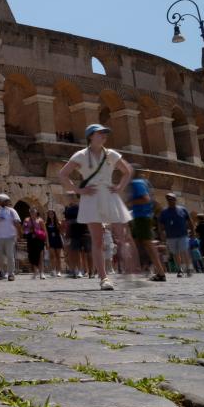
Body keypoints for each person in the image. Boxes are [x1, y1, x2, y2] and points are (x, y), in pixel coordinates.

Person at [57, 124, 134, 291]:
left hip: (109, 193)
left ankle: (131, 272)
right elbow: (62, 174)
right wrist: (78, 190)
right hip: (91, 196)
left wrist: (120, 187)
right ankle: (104, 278)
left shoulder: (111, 154)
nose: (104, 136)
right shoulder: (81, 155)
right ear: (90, 136)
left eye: (105, 133)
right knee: (97, 240)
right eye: (100, 133)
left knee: (122, 236)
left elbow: (127, 171)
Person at [126, 167, 167, 281]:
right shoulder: (144, 183)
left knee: (147, 244)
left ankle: (159, 272)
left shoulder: (136, 183)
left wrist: (129, 202)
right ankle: (146, 269)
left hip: (141, 217)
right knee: (139, 243)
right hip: (142, 217)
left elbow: (145, 199)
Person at [158, 193, 194, 277]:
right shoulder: (164, 212)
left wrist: (193, 232)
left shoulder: (183, 209)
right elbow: (160, 224)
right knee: (175, 253)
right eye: (169, 199)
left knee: (184, 251)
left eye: (172, 199)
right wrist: (161, 234)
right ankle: (180, 269)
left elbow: (190, 221)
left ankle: (188, 268)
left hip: (183, 235)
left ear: (175, 200)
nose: (171, 201)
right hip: (171, 236)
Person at [0, 194, 21, 281]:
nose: (5, 202)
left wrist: (18, 234)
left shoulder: (11, 211)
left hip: (9, 236)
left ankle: (11, 274)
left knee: (10, 256)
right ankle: (0, 272)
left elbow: (17, 222)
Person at [62, 193, 91, 278]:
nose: (69, 199)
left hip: (84, 232)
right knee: (74, 252)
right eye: (68, 197)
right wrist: (67, 234)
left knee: (86, 253)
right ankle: (77, 270)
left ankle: (88, 270)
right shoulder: (68, 209)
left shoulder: (84, 207)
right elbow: (67, 223)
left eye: (70, 197)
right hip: (73, 233)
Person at [23, 207, 47, 279]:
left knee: (40, 255)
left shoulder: (40, 220)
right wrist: (28, 231)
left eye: (33, 211)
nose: (32, 212)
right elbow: (24, 229)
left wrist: (47, 241)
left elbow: (45, 231)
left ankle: (42, 272)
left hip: (39, 239)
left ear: (36, 212)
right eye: (31, 211)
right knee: (32, 256)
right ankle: (35, 271)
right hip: (31, 239)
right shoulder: (26, 220)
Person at [45, 209, 64, 277]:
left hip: (57, 240)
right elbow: (46, 234)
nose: (51, 215)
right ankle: (53, 270)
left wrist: (60, 226)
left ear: (54, 214)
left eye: (52, 214)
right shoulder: (46, 224)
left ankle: (59, 271)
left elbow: (61, 232)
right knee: (52, 256)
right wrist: (47, 243)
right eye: (49, 214)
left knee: (58, 256)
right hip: (50, 240)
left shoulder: (58, 222)